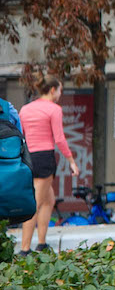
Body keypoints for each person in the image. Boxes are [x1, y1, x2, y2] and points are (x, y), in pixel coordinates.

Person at [16, 74, 76, 254]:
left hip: (28, 157)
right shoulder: (54, 109)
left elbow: (21, 135)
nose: (60, 94)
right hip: (44, 158)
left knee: (49, 199)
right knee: (35, 203)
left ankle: (41, 243)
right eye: (60, 90)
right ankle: (25, 249)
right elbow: (59, 139)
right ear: (52, 90)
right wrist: (72, 161)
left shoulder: (25, 109)